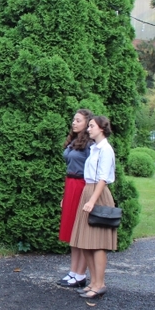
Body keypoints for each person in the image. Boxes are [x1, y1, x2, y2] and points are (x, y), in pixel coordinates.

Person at [69, 115, 117, 300]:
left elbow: (103, 178)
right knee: (86, 242)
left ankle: (100, 284)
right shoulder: (94, 148)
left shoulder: (106, 150)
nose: (88, 129)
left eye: (91, 126)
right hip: (88, 192)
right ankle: (93, 282)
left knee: (97, 244)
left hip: (97, 194)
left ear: (101, 129)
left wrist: (92, 200)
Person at [57, 109, 93, 288]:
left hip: (82, 186)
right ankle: (73, 271)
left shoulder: (90, 145)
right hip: (70, 185)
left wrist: (90, 195)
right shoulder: (73, 141)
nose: (74, 122)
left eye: (78, 120)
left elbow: (93, 171)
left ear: (87, 123)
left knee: (81, 231)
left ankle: (81, 274)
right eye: (74, 120)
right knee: (72, 230)